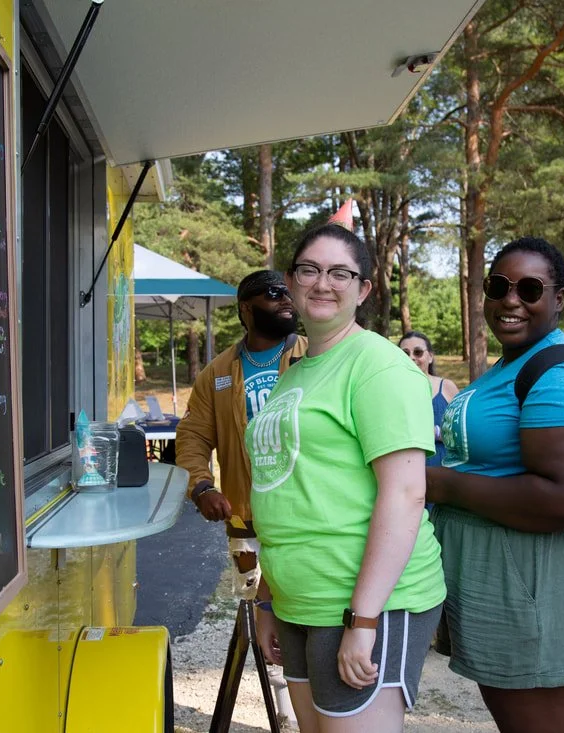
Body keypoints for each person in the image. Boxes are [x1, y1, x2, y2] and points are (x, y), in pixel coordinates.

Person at [248, 223, 446, 733]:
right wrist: (269, 597)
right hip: (300, 598)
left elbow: (405, 494)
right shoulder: (295, 371)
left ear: (363, 290)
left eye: (340, 273)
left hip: (365, 601)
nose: (322, 283)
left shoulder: (379, 367)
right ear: (290, 281)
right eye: (310, 270)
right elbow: (287, 487)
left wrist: (363, 619)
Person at [426, 236, 564, 733]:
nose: (512, 299)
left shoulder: (562, 372)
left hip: (543, 574)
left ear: (557, 299)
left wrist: (441, 485)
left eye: (530, 288)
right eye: (499, 286)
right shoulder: (512, 363)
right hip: (505, 569)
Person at [176, 270, 308, 586]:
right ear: (246, 308)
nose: (287, 299)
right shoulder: (217, 373)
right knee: (253, 606)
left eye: (288, 292)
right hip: (247, 518)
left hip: (308, 515)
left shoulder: (315, 355)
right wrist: (201, 487)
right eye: (274, 293)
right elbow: (192, 435)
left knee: (310, 609)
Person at [398, 331, 459, 467]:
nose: (411, 357)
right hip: (406, 471)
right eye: (405, 353)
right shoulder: (392, 391)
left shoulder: (447, 387)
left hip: (445, 471)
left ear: (430, 357)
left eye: (418, 352)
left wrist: (436, 432)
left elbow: (464, 433)